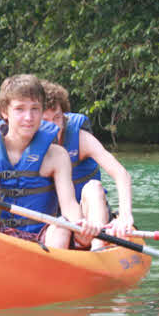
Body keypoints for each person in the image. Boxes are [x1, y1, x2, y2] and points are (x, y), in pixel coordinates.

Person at [0, 74, 101, 249]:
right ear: (4, 112)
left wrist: (81, 224)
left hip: (42, 236)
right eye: (20, 109)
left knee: (62, 226)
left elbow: (69, 206)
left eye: (35, 109)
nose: (29, 117)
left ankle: (51, 269)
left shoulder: (57, 156)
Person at [40, 80, 134, 249]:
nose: (53, 127)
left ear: (64, 116)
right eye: (45, 120)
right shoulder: (27, 143)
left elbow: (121, 174)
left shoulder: (81, 139)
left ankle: (98, 247)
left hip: (89, 216)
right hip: (57, 222)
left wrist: (125, 215)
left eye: (57, 118)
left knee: (93, 187)